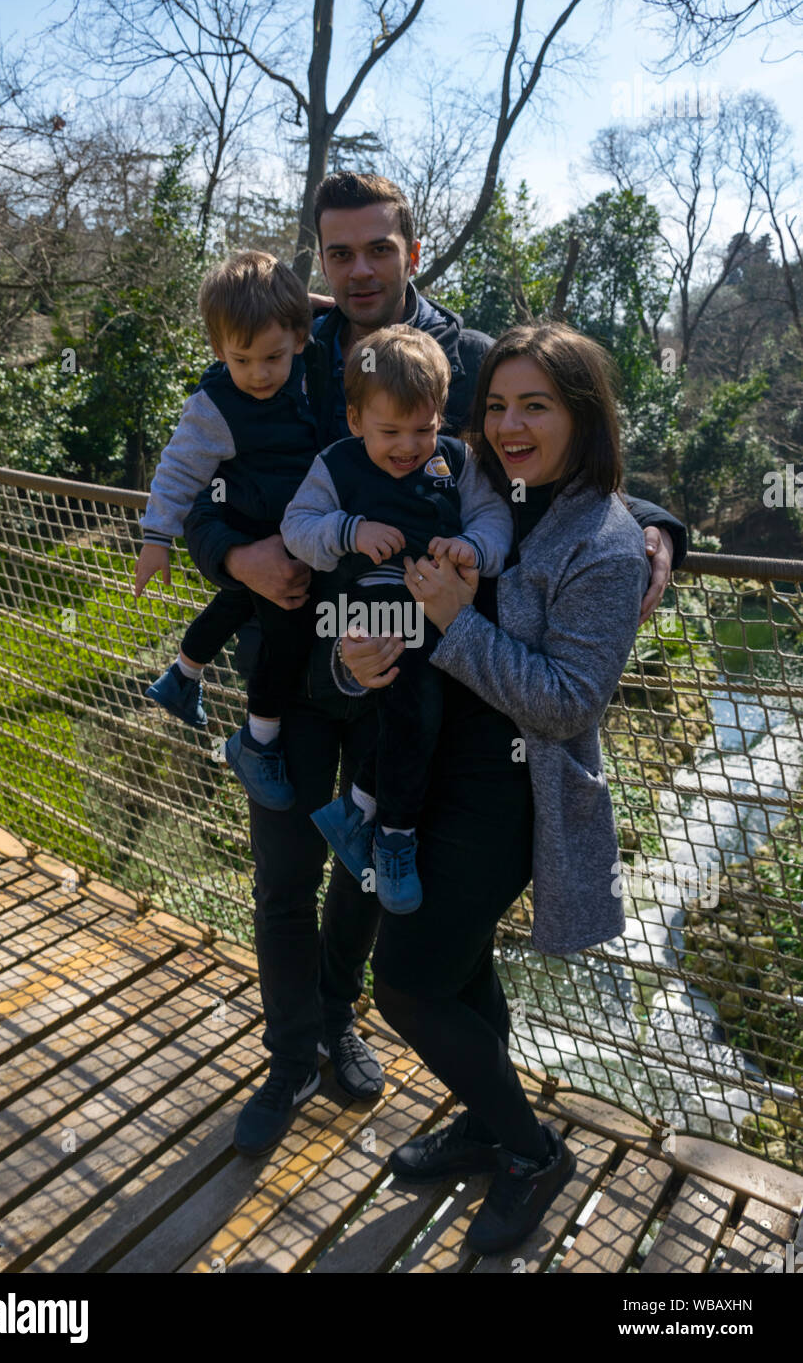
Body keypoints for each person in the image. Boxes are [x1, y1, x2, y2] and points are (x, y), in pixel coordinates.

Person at [180, 172, 687, 1158]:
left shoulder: (463, 357)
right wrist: (226, 552)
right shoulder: (283, 338)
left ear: (413, 251)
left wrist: (660, 527)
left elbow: (553, 445)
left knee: (370, 869)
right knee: (283, 874)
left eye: (378, 248)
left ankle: (340, 1016)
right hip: (293, 659)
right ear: (317, 261)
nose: (358, 267)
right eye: (339, 252)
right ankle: (290, 1057)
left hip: (410, 674)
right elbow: (195, 471)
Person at [332, 320, 659, 1256]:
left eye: (538, 405)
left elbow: (565, 704)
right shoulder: (480, 492)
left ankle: (530, 1151)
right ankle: (486, 1122)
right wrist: (360, 660)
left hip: (511, 796)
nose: (510, 424)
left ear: (582, 415)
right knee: (461, 964)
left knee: (402, 979)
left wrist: (450, 621)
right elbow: (382, 599)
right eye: (498, 406)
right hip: (426, 771)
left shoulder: (603, 541)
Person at [281, 326, 512, 912]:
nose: (409, 447)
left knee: (421, 718)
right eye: (390, 432)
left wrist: (475, 548)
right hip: (367, 613)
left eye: (424, 429)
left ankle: (359, 809)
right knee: (417, 711)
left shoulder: (456, 462)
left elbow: (493, 518)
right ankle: (393, 834)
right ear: (356, 420)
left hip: (438, 608)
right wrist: (349, 531)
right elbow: (296, 527)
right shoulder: (337, 464)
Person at [134, 251, 321, 811]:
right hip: (258, 533)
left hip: (287, 530)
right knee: (284, 634)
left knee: (235, 601)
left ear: (298, 340)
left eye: (274, 357)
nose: (260, 374)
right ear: (219, 351)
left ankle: (182, 676)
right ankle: (257, 741)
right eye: (242, 360)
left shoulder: (311, 376)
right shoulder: (215, 407)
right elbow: (177, 471)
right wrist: (155, 538)